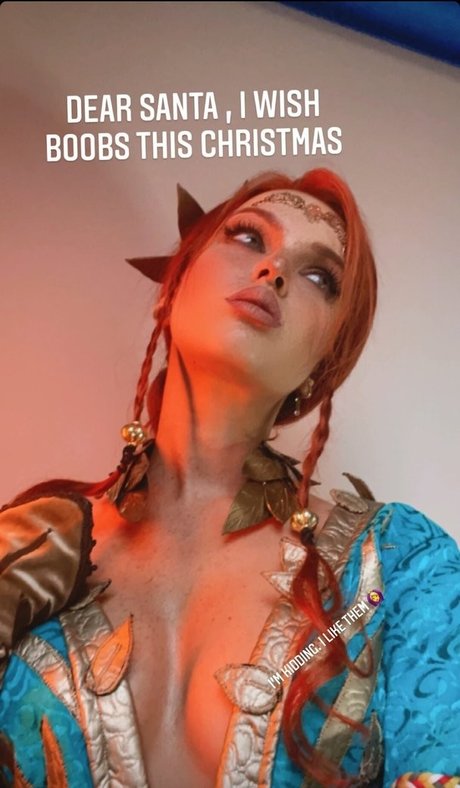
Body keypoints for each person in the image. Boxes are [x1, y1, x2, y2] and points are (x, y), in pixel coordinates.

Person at [0, 168, 459, 788]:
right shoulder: (23, 545)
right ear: (171, 289)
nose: (274, 270)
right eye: (248, 237)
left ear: (324, 361)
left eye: (319, 276)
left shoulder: (399, 568)